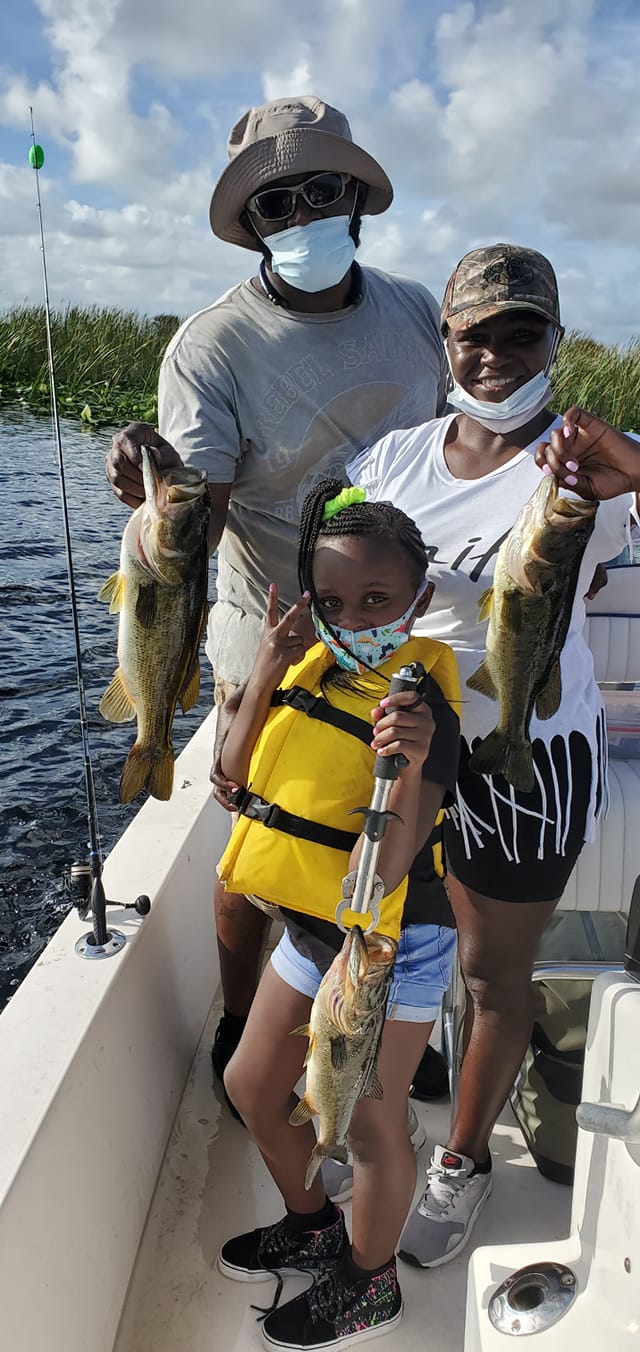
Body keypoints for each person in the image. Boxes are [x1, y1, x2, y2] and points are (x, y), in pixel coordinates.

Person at [104, 95, 450, 1115]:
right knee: (257, 833)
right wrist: (152, 490)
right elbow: (193, 525)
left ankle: (378, 1015)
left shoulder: (414, 311)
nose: (303, 211)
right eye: (276, 200)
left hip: (395, 615)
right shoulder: (207, 348)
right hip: (272, 619)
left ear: (358, 197)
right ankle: (241, 1011)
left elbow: (446, 452)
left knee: (389, 828)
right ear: (250, 221)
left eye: (322, 189)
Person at [345, 243, 640, 1268]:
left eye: (524, 333)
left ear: (557, 342)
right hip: (409, 742)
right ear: (445, 341)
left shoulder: (588, 463)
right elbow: (338, 576)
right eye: (476, 334)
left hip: (528, 753)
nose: (498, 355)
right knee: (377, 942)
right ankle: (373, 1121)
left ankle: (462, 1161)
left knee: (490, 969)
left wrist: (633, 472)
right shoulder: (393, 462)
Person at [215, 480, 461, 1349]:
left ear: (419, 602)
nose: (353, 620)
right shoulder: (307, 664)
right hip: (314, 931)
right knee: (251, 1085)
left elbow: (388, 869)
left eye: (378, 601)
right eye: (333, 603)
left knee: (366, 1121)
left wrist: (409, 763)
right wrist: (272, 665)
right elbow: (237, 774)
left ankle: (370, 1283)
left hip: (389, 946)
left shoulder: (424, 711)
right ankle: (315, 1227)